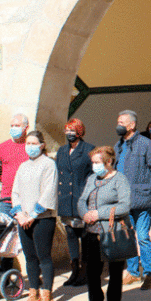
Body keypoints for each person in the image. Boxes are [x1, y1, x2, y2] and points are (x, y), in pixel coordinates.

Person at [78, 146, 131, 301]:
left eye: (97, 162)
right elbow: (82, 200)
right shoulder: (92, 178)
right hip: (92, 232)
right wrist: (85, 214)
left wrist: (98, 214)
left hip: (112, 233)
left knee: (115, 272)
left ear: (109, 162)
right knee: (92, 272)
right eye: (93, 162)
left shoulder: (120, 180)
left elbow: (124, 206)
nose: (94, 166)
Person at [114, 110, 151, 289]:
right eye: (118, 122)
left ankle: (149, 273)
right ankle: (133, 272)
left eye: (122, 122)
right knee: (128, 237)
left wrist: (147, 187)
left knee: (142, 237)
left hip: (142, 199)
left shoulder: (147, 144)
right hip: (124, 200)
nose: (118, 125)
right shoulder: (119, 145)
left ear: (132, 125)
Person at [11, 131, 59, 301]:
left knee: (43, 257)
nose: (30, 147)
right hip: (23, 219)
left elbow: (48, 192)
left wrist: (32, 215)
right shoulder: (23, 166)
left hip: (42, 219)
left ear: (42, 145)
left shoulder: (48, 164)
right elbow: (15, 191)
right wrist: (20, 214)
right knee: (30, 257)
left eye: (34, 143)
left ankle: (47, 295)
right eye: (28, 143)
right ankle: (33, 293)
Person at [56, 118, 95, 287]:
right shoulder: (62, 151)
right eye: (67, 130)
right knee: (70, 235)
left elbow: (94, 176)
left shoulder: (89, 149)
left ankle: (85, 271)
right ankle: (74, 270)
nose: (69, 134)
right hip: (65, 199)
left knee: (85, 236)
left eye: (72, 130)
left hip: (81, 199)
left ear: (80, 132)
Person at [0, 114, 30, 214]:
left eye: (17, 126)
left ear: (26, 127)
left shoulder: (32, 147)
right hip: (6, 201)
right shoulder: (2, 148)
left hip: (27, 201)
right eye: (12, 126)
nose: (14, 128)